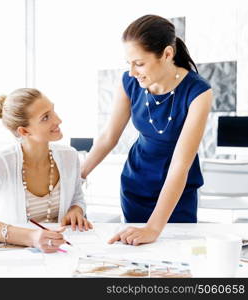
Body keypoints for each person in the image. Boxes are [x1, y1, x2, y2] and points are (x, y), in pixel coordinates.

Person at [81, 15, 212, 246]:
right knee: (136, 259)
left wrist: (153, 228)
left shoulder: (198, 92)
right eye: (128, 63)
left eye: (139, 63)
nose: (132, 72)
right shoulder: (128, 82)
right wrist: (77, 178)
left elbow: (181, 164)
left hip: (177, 192)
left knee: (175, 258)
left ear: (168, 54)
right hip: (136, 184)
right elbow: (108, 137)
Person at [0, 88, 93, 253]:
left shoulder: (69, 156)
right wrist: (32, 237)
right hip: (17, 255)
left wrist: (76, 209)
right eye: (46, 117)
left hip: (59, 251)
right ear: (24, 131)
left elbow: (77, 197)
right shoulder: (1, 161)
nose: (58, 120)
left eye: (53, 111)